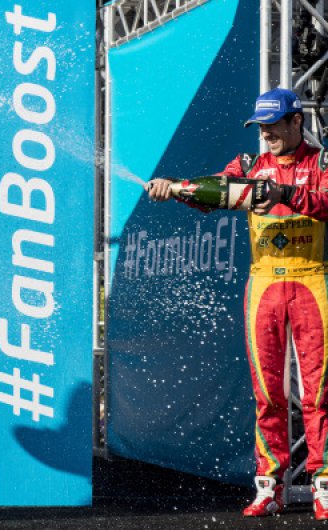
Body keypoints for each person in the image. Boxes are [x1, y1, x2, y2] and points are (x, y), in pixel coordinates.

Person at [147, 87, 328, 520]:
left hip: (312, 281)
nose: (266, 134)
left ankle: (323, 486)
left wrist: (286, 195)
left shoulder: (321, 162)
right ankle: (269, 487)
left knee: (318, 394)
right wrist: (175, 189)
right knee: (268, 394)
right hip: (263, 285)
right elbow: (213, 193)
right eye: (261, 127)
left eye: (273, 125)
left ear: (297, 121)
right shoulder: (249, 167)